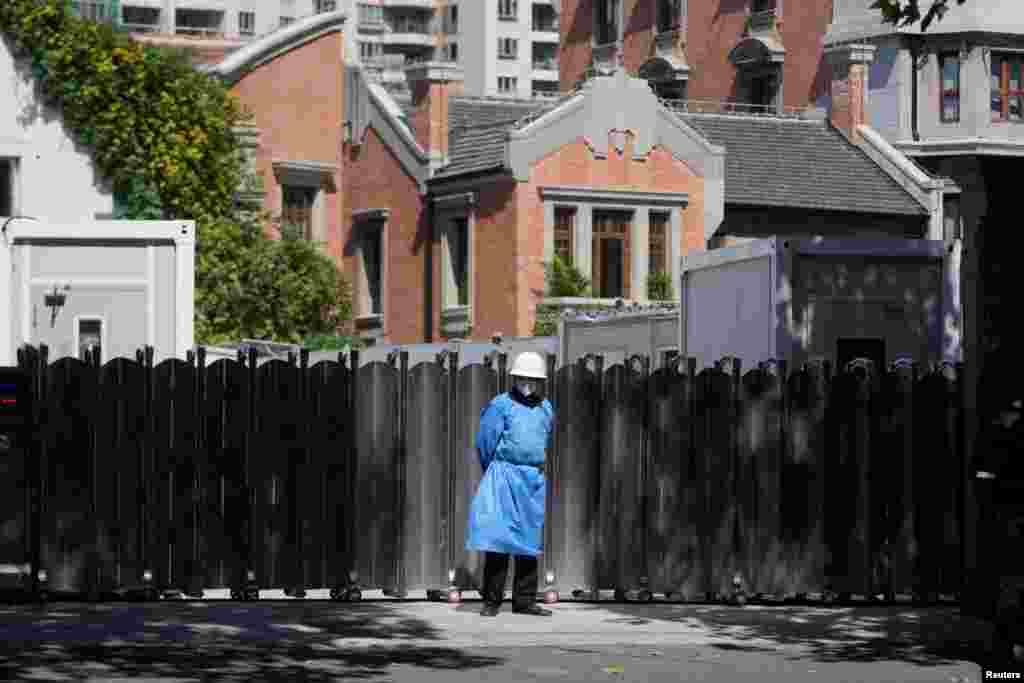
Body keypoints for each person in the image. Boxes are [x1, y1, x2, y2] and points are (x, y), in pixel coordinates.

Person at [466, 351, 554, 617]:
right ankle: (492, 601)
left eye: (532, 379)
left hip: (531, 478)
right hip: (503, 473)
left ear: (539, 381)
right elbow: (485, 443)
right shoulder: (500, 405)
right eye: (523, 378)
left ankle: (525, 601)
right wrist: (495, 470)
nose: (527, 383)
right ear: (515, 377)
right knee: (499, 538)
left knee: (528, 539)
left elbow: (544, 439)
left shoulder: (546, 407)